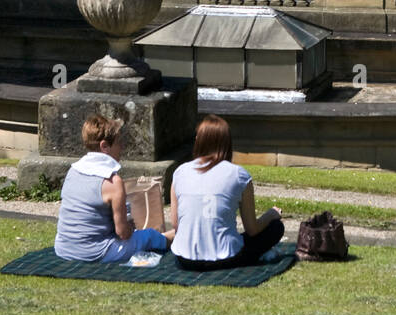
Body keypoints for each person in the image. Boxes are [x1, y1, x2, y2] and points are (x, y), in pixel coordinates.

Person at [169, 114, 285, 270]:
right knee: (276, 228)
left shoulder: (179, 172)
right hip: (226, 258)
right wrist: (270, 214)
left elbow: (177, 225)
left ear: (198, 141)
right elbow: (252, 229)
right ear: (227, 144)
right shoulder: (239, 175)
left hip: (185, 259)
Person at [54, 114, 174, 263]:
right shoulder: (112, 182)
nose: (122, 147)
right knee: (149, 235)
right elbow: (123, 233)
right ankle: (173, 239)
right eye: (118, 142)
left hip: (63, 248)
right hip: (95, 252)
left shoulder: (73, 171)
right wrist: (130, 227)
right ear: (105, 146)